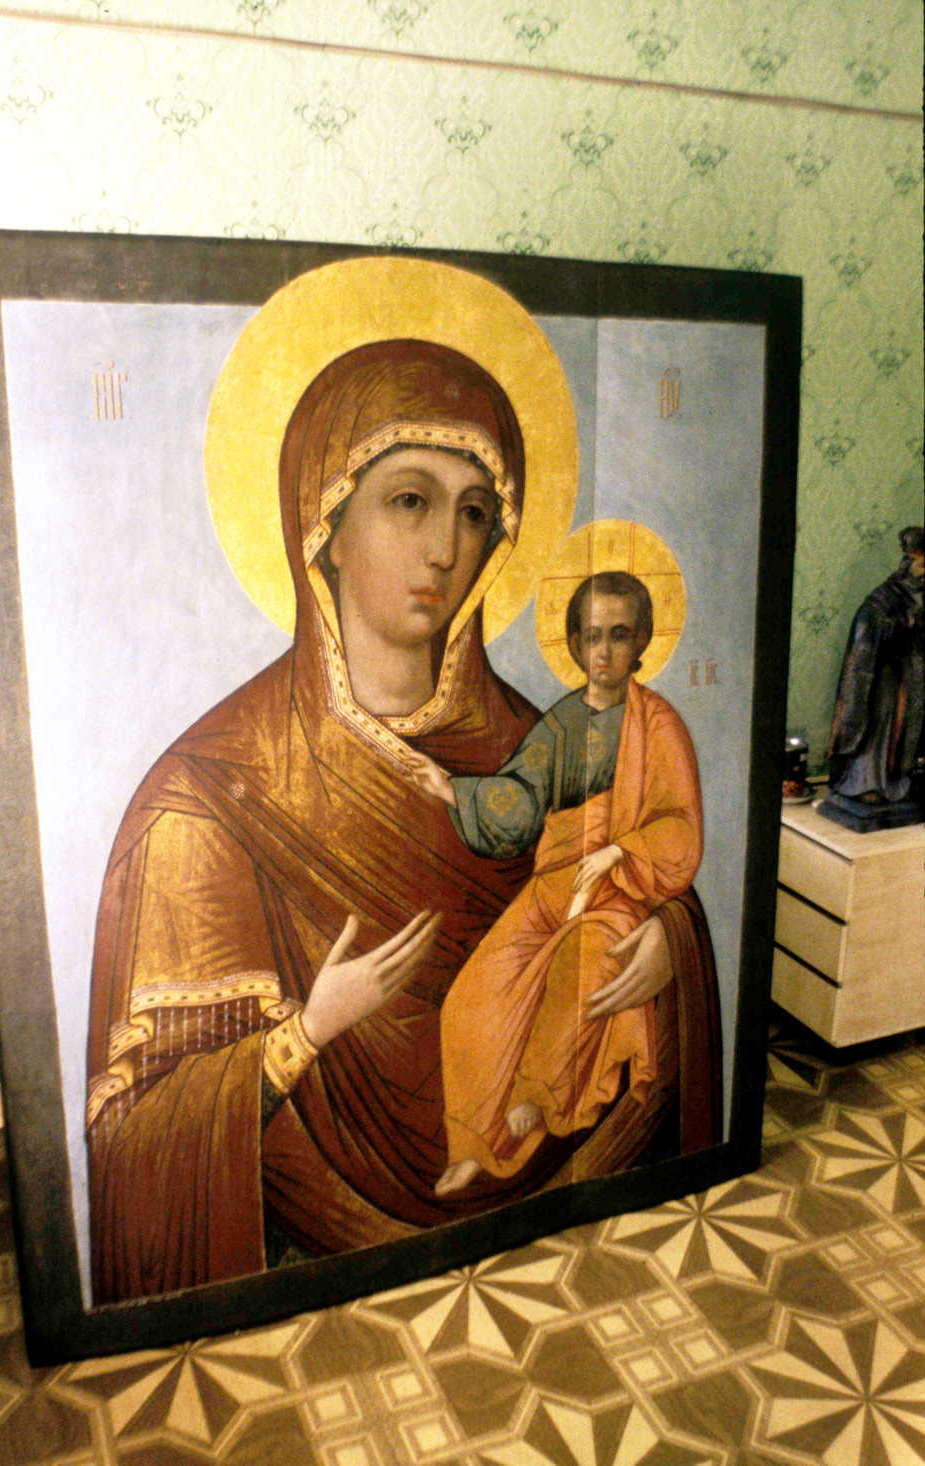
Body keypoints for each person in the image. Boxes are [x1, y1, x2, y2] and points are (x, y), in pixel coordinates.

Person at [86, 338, 722, 1304]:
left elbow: (635, 854)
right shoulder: (208, 795)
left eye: (474, 513)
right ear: (326, 525)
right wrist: (308, 1031)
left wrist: (671, 938)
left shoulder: (539, 743)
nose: (445, 549)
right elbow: (139, 1129)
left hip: (586, 1253)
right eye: (410, 499)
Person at [412, 572, 703, 1194]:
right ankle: (474, 1141)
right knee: (472, 997)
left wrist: (621, 850)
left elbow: (680, 827)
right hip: (554, 888)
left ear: (641, 641)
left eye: (618, 636)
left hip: (621, 892)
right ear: (573, 643)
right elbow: (521, 799)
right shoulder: (563, 721)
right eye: (592, 636)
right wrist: (454, 791)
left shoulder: (658, 726)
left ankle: (538, 1096)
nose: (604, 652)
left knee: (585, 961)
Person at [826, 525, 924, 808]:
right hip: (881, 678)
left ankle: (895, 779)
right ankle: (865, 783)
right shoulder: (886, 596)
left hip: (908, 677)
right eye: (922, 565)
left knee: (903, 729)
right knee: (876, 728)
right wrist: (905, 624)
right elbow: (869, 628)